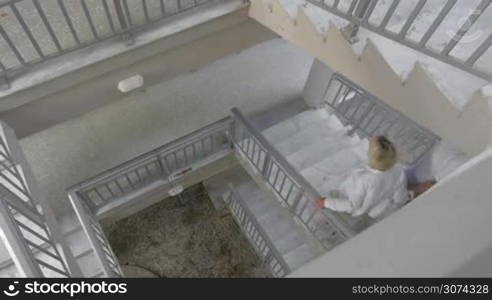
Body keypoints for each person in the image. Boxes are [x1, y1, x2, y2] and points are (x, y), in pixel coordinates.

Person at [315, 135, 409, 219]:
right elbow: (399, 196)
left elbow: (352, 205)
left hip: (350, 203)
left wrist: (326, 202)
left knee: (333, 207)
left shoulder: (365, 180)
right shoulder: (399, 170)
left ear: (372, 157)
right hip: (373, 208)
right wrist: (401, 202)